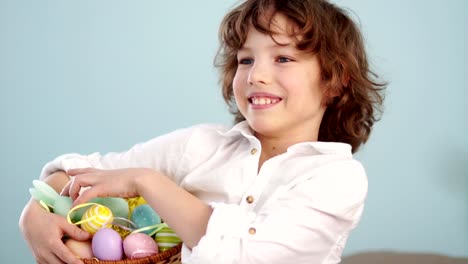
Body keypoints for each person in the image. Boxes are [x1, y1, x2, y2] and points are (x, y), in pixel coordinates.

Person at [19, 0, 386, 263]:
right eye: (246, 59)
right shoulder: (201, 145)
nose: (256, 75)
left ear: (335, 82)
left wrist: (147, 181)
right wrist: (34, 213)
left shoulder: (337, 178)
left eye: (283, 58)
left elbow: (251, 256)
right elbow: (80, 170)